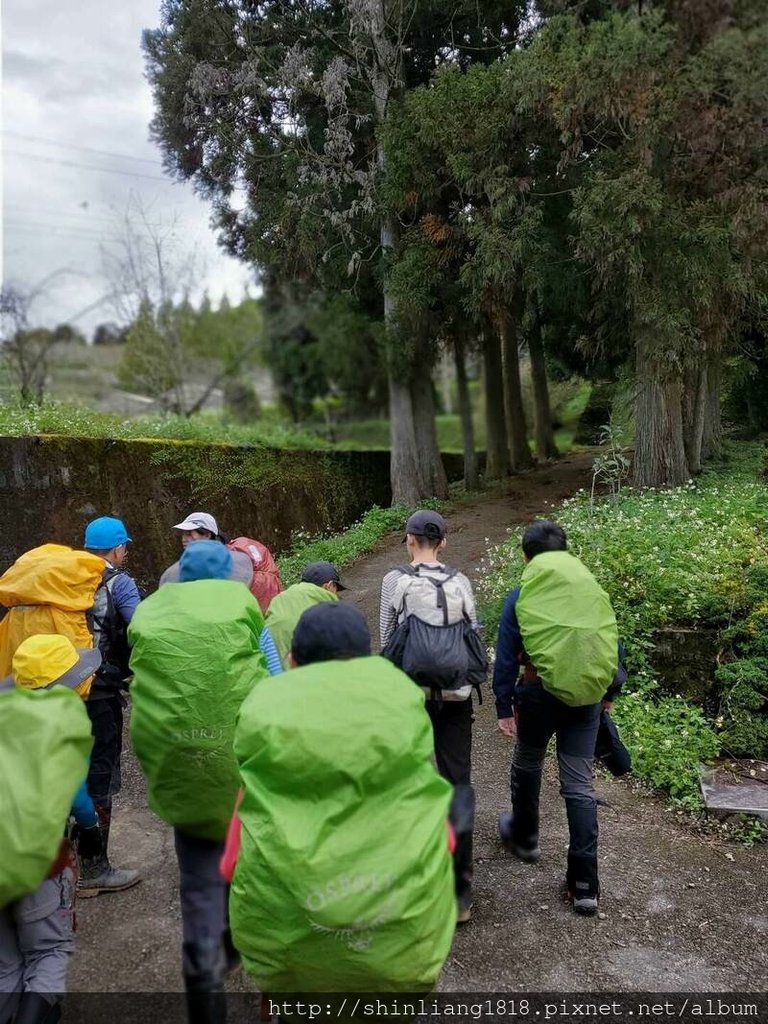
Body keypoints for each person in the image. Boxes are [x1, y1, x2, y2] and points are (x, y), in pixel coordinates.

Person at [226, 602, 456, 996]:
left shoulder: (261, 759)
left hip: (297, 976)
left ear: (292, 662)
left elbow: (232, 865)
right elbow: (446, 842)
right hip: (395, 968)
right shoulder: (404, 749)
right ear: (365, 662)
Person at [128, 541, 274, 1022]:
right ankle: (235, 944)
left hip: (181, 770)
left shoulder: (151, 616)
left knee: (197, 883)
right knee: (241, 862)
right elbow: (274, 681)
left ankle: (206, 993)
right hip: (240, 773)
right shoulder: (245, 609)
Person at [493, 520, 626, 917]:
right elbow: (611, 640)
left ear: (526, 555)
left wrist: (503, 706)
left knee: (529, 759)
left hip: (537, 693)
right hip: (587, 698)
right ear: (566, 551)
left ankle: (526, 838)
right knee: (580, 784)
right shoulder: (590, 590)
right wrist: (609, 693)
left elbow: (505, 654)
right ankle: (585, 885)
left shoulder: (522, 594)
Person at [379, 509, 481, 924]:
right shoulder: (461, 581)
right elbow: (475, 634)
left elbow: (386, 639)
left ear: (409, 539)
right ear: (444, 543)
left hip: (410, 697)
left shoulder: (394, 581)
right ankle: (460, 893)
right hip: (457, 697)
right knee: (457, 784)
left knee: (409, 783)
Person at [0, 635, 104, 1024]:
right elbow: (76, 798)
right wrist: (91, 829)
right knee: (47, 952)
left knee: (5, 964)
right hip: (34, 860)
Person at [79, 516, 142, 897]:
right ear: (117, 548)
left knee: (66, 768)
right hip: (100, 691)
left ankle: (64, 866)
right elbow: (141, 628)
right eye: (125, 547)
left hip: (57, 689)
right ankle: (94, 867)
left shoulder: (63, 580)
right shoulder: (119, 582)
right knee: (99, 774)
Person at [264, 560, 347, 668]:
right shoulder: (327, 611)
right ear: (330, 585)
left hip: (273, 672)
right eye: (337, 589)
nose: (337, 595)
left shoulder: (279, 599)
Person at [158, 512, 253, 588]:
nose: (184, 539)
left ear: (207, 535)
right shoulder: (240, 562)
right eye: (183, 534)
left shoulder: (235, 564)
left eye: (189, 534)